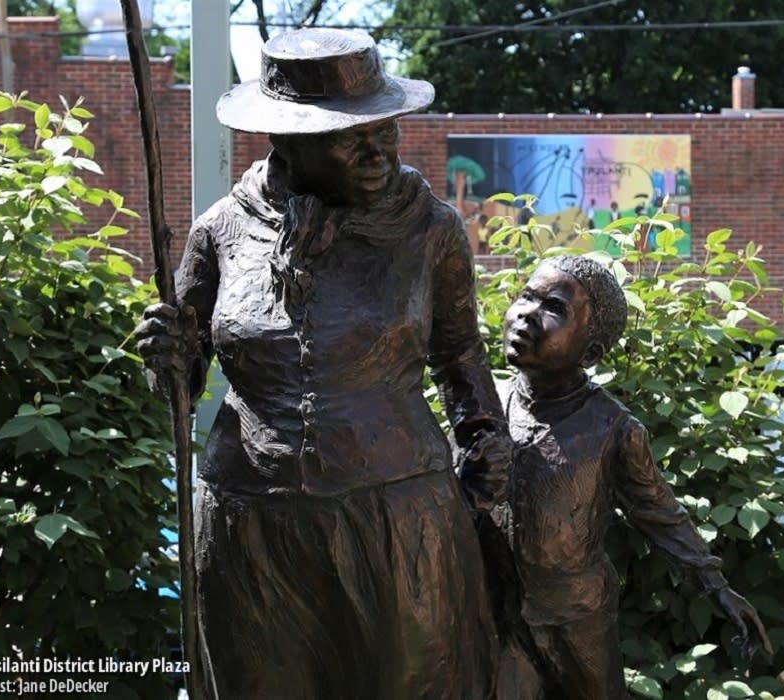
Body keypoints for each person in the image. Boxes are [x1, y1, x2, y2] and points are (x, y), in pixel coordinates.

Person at [135, 28, 510, 699]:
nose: (378, 149)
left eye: (383, 127)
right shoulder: (219, 230)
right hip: (251, 525)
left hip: (398, 520)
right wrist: (166, 361)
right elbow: (180, 383)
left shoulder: (430, 230)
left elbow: (459, 356)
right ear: (288, 137)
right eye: (350, 134)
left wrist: (485, 438)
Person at [492, 255, 771, 699]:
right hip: (495, 614)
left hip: (575, 620)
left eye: (554, 308)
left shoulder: (614, 430)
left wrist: (717, 587)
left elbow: (661, 515)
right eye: (527, 296)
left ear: (591, 352)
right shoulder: (485, 402)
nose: (527, 313)